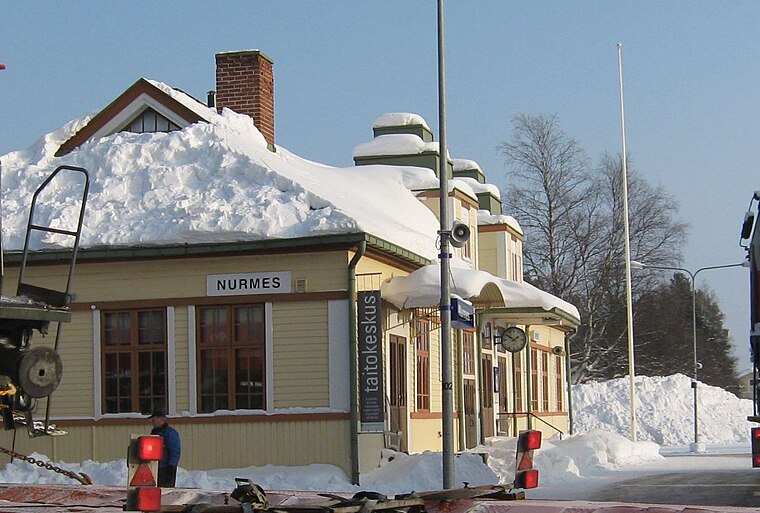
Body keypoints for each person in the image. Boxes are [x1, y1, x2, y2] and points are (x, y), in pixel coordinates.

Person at [149, 408, 181, 487]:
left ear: (162, 419)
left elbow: (174, 451)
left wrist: (171, 466)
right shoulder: (154, 433)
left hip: (166, 468)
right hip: (155, 467)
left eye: (154, 419)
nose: (152, 421)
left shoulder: (170, 433)